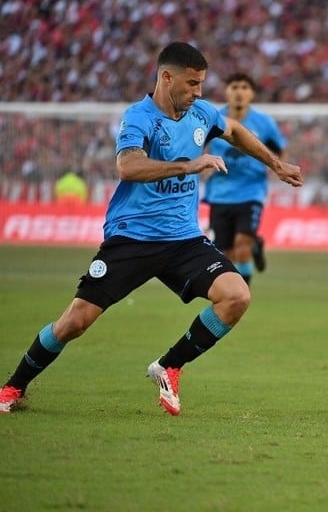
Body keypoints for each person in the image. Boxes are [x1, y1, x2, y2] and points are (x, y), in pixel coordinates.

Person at [0, 42, 304, 415]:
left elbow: (236, 131)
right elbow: (128, 167)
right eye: (192, 84)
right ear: (166, 77)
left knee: (236, 296)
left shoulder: (202, 114)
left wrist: (276, 164)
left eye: (202, 84)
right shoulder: (139, 117)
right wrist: (188, 166)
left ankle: (169, 366)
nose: (199, 92)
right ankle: (13, 387)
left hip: (183, 240)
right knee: (75, 322)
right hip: (132, 238)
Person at [203, 72, 286, 284]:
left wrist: (277, 168)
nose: (239, 92)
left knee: (242, 246)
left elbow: (279, 151)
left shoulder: (264, 123)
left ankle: (242, 295)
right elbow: (199, 148)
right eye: (234, 87)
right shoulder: (213, 120)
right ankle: (255, 246)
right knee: (225, 253)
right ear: (226, 92)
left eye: (244, 88)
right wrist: (202, 166)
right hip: (220, 194)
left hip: (251, 192)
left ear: (252, 94)